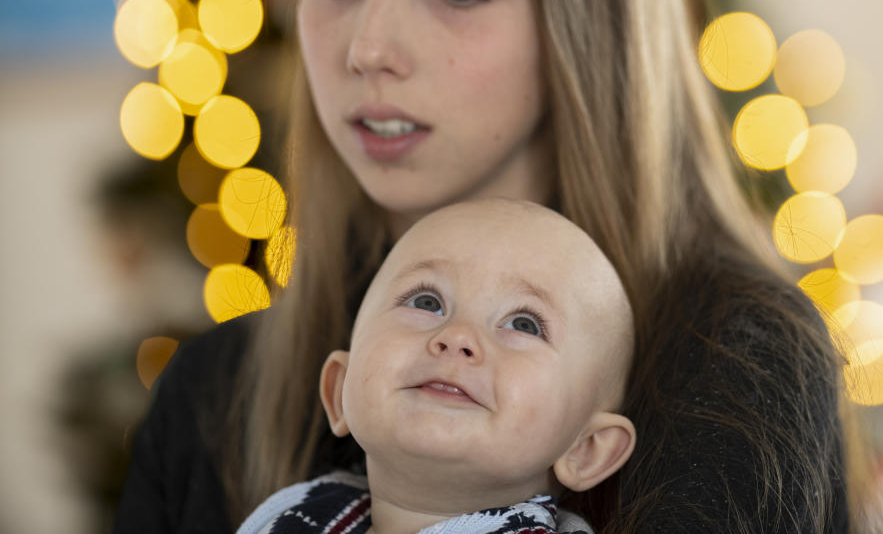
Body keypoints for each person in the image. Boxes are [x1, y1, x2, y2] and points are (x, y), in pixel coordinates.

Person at [115, 0, 878, 532]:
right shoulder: (214, 391)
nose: (368, 48)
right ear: (336, 388)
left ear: (590, 16)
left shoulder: (741, 366)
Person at [237, 199, 637, 533]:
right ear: (340, 391)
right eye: (427, 302)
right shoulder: (298, 515)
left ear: (586, 449)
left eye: (524, 324)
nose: (458, 336)